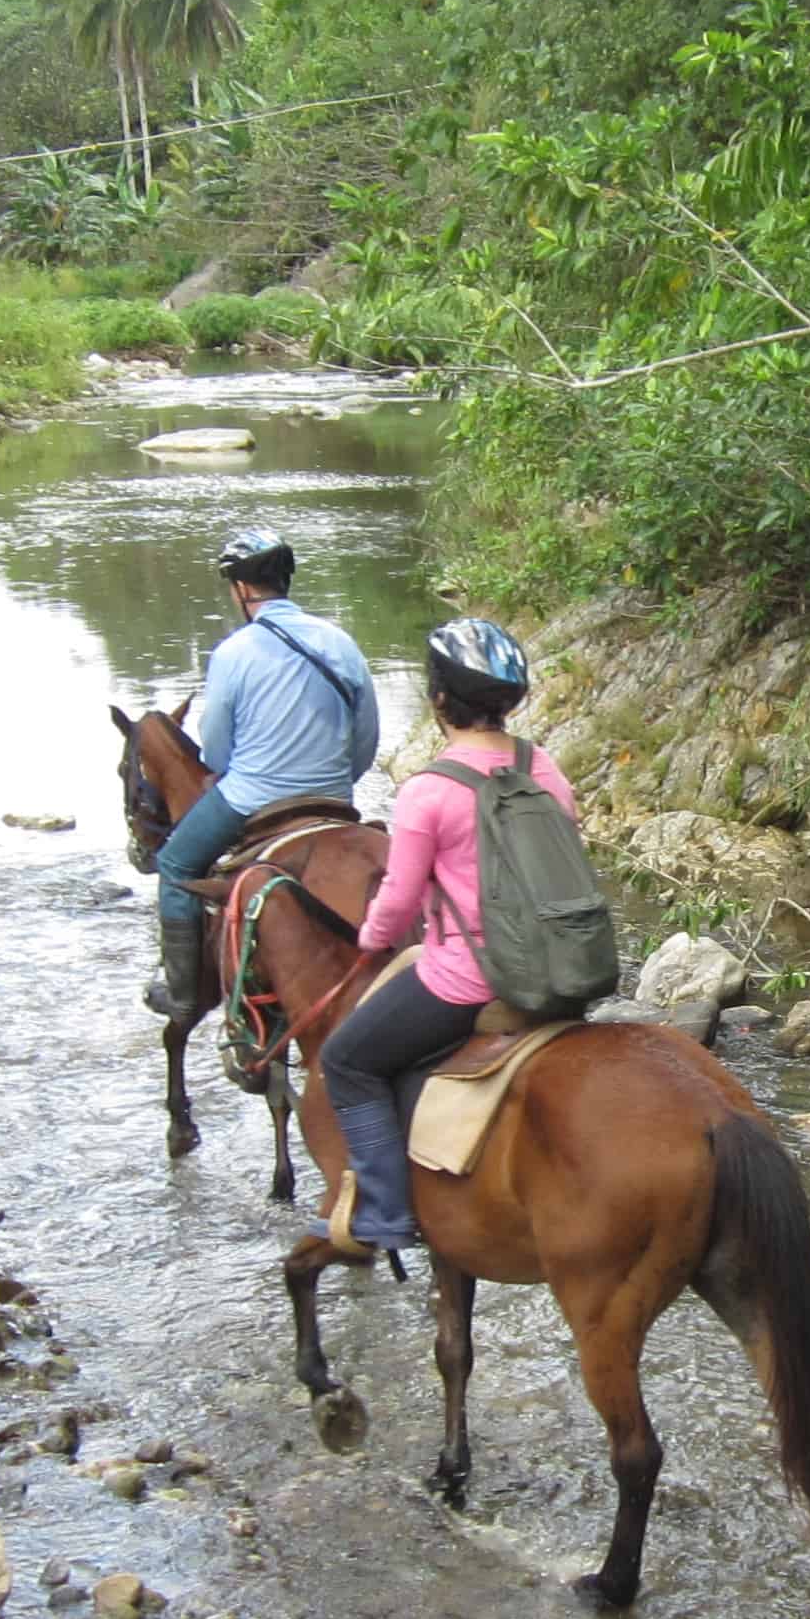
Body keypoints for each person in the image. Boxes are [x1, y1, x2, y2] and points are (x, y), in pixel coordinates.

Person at [317, 619, 569, 1250]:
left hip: (467, 980)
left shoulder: (428, 790)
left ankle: (385, 1215)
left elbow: (399, 903)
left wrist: (372, 939)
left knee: (345, 1061)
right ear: (510, 701)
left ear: (437, 701)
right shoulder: (544, 766)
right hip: (563, 966)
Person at [144, 528, 379, 1022]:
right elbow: (366, 739)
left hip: (253, 796)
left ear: (241, 589)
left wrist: (233, 774)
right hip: (335, 796)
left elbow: (217, 749)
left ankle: (184, 995)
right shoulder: (340, 641)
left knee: (175, 865)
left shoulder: (233, 652)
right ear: (285, 580)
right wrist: (336, 780)